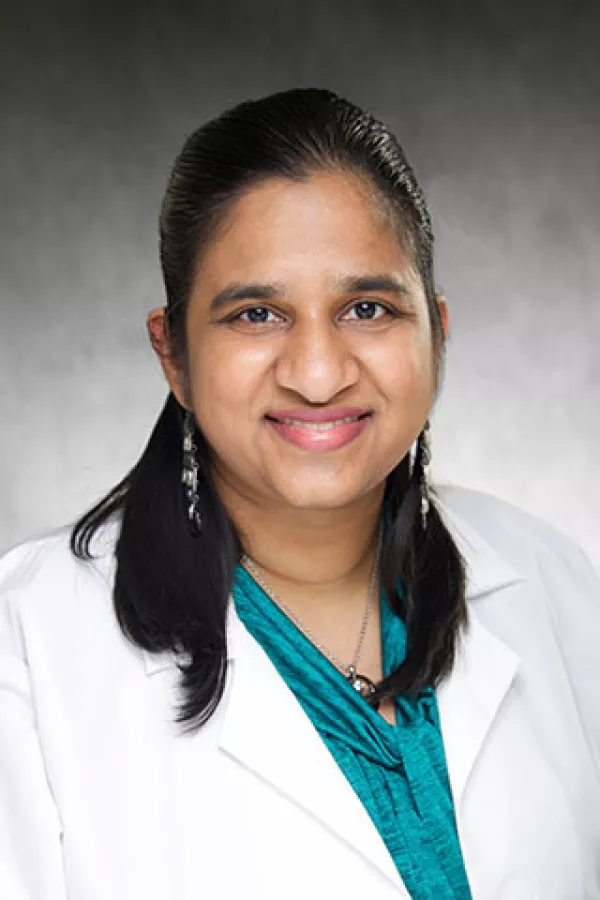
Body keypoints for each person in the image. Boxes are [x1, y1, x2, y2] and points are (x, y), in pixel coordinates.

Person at [0, 88, 599, 900]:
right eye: (256, 315)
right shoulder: (27, 647)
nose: (318, 375)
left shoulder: (554, 580)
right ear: (173, 354)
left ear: (437, 331)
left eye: (366, 308)